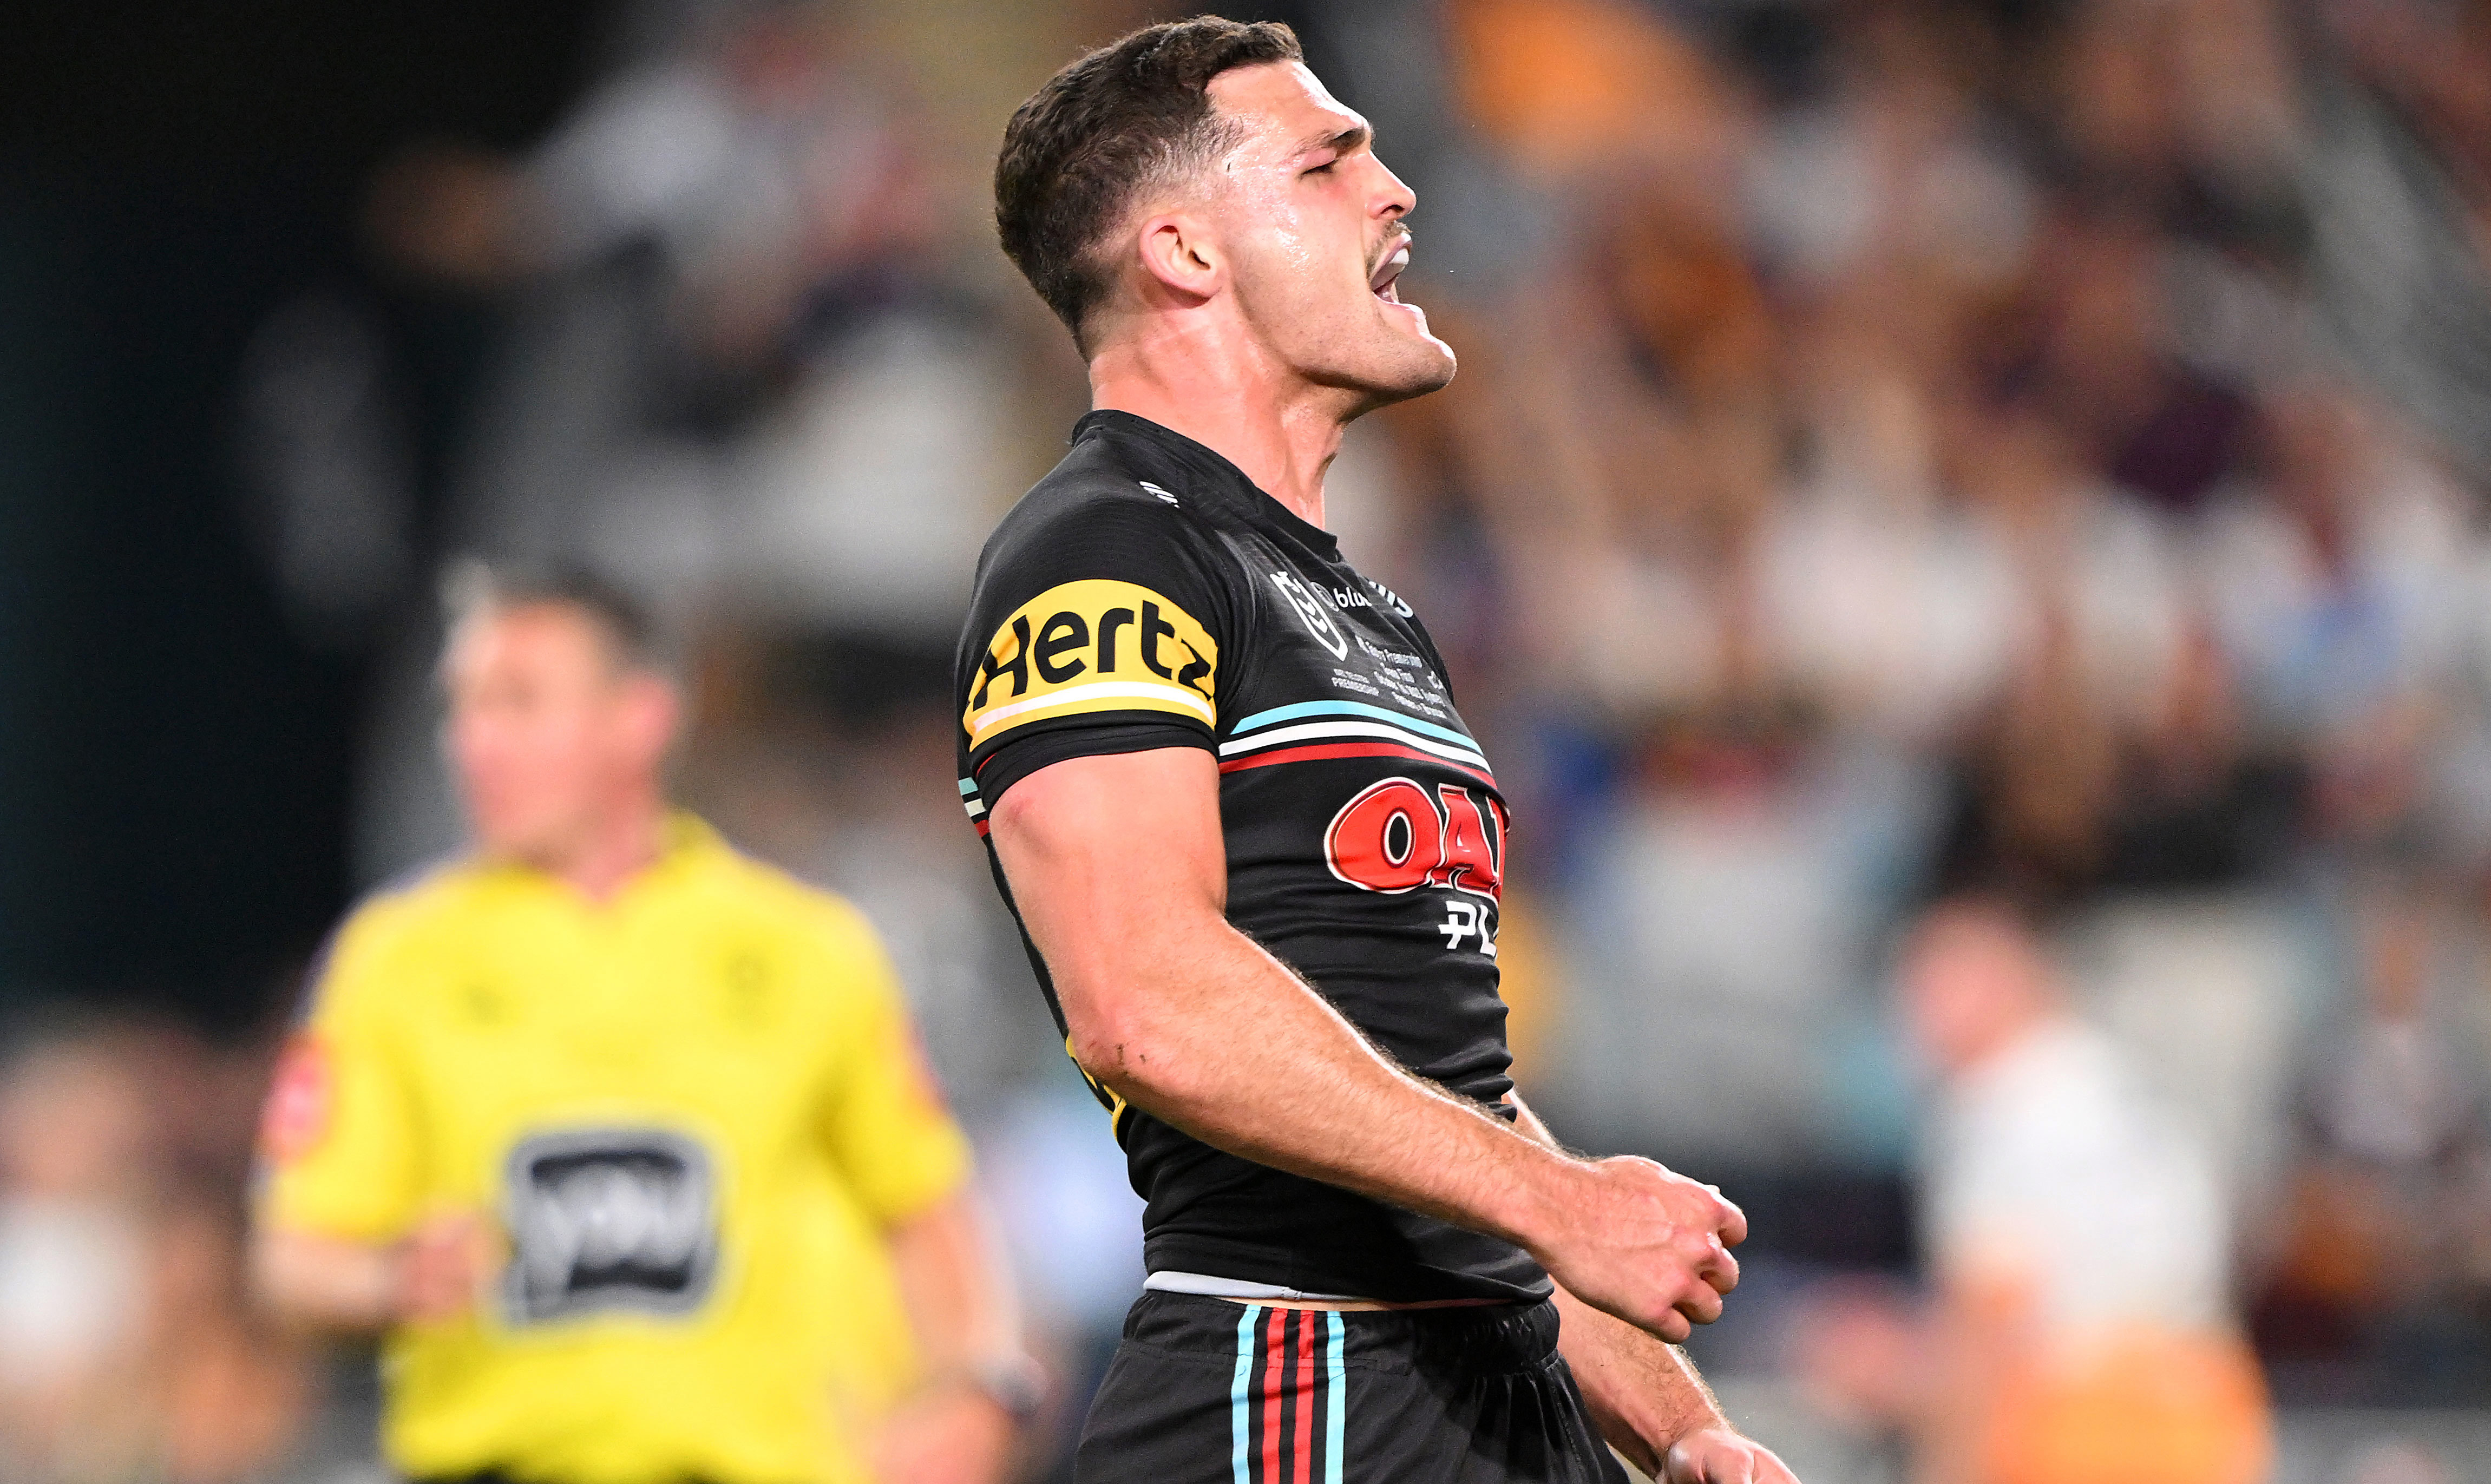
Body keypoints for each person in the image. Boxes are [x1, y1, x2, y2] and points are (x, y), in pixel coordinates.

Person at [962, 18, 1791, 1483]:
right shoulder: (1099, 555)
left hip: (1489, 1390)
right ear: (1184, 253)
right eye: (1330, 160)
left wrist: (1684, 1424)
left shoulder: (1367, 608)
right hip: (1295, 1384)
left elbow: (1431, 1087)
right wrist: (1554, 1200)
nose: (1395, 188)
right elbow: (1146, 1002)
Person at [250, 566, 1037, 1484]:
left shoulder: (802, 950)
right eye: (461, 709)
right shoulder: (394, 960)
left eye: (519, 703)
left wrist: (981, 1385)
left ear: (640, 718)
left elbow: (924, 1207)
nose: (474, 744)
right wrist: (389, 1278)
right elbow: (293, 1255)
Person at [1898, 899, 2270, 1484]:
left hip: (2081, 1433)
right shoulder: (2114, 1081)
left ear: (2010, 981)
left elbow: (1989, 1325)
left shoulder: (2000, 1105)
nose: (1916, 1013)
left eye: (1938, 983)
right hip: (2209, 1418)